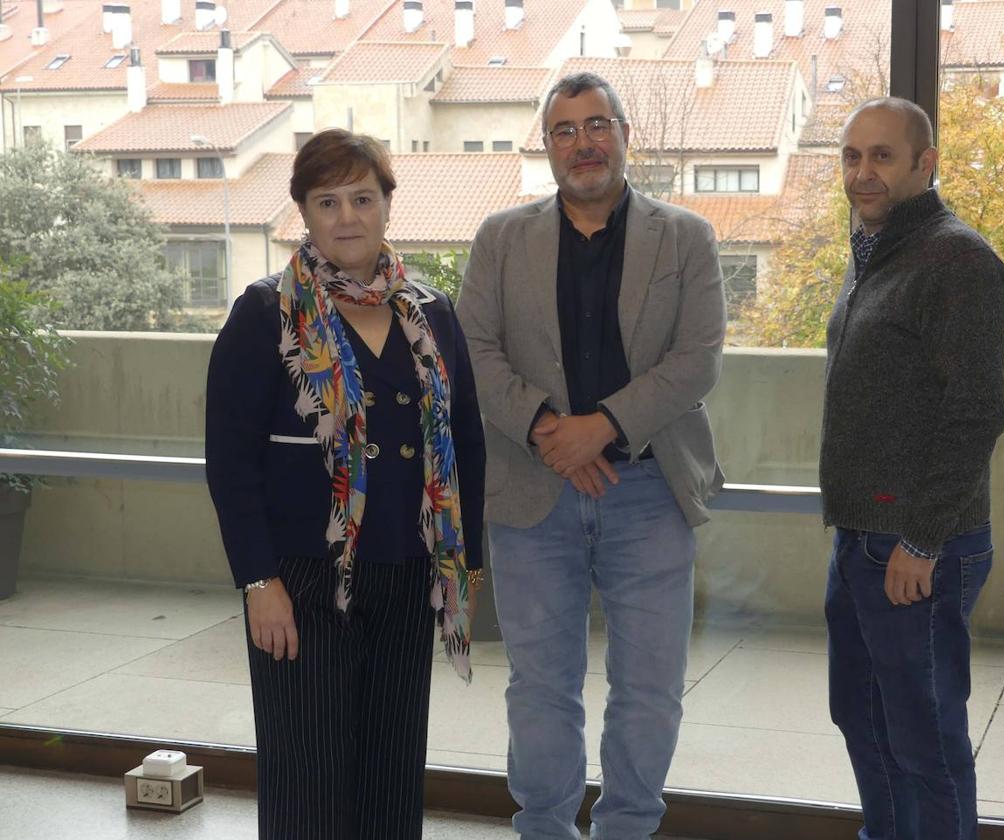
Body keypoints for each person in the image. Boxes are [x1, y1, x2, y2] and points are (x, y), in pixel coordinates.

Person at [456, 72, 726, 840]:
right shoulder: (501, 239)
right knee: (541, 687)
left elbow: (697, 359)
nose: (584, 142)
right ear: (545, 147)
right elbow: (471, 351)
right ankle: (543, 829)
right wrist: (549, 430)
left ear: (625, 134)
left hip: (648, 493)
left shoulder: (686, 237)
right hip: (530, 492)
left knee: (650, 690)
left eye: (598, 124)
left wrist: (600, 426)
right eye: (565, 130)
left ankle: (628, 830)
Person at [205, 128, 485, 840]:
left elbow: (466, 442)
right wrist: (257, 581)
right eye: (327, 201)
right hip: (301, 583)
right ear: (304, 211)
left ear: (389, 204)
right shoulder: (265, 314)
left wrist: (468, 563)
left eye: (363, 197)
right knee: (310, 784)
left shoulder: (431, 312)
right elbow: (230, 461)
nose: (347, 216)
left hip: (408, 574)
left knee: (391, 778)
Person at [820, 97, 1004, 840]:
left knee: (924, 741)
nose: (862, 172)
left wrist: (923, 541)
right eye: (850, 156)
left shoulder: (958, 260)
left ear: (925, 164)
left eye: (882, 156)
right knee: (862, 718)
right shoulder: (875, 248)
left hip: (915, 547)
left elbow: (974, 415)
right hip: (861, 539)